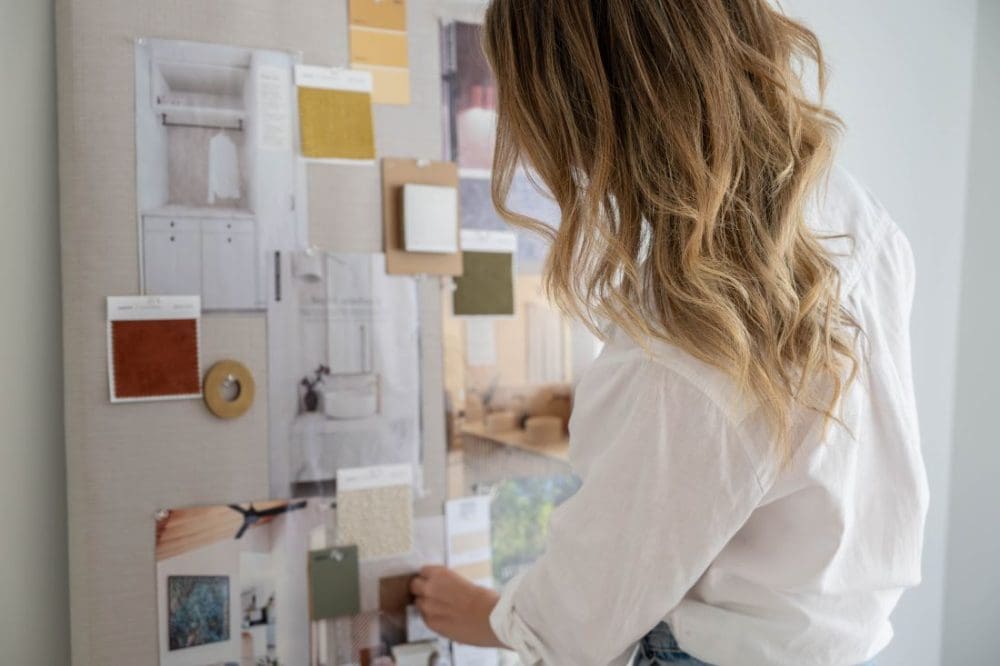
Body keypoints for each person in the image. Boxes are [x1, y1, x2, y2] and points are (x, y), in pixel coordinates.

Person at [411, 1, 927, 664]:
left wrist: (492, 616)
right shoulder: (851, 212)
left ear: (580, 114)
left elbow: (584, 617)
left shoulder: (684, 340)